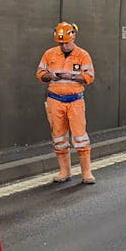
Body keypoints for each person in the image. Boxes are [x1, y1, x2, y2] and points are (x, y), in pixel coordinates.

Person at [36, 22, 96, 184]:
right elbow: (40, 74)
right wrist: (51, 75)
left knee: (80, 137)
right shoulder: (49, 54)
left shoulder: (83, 55)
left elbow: (89, 76)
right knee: (59, 137)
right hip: (55, 100)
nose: (64, 46)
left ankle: (86, 173)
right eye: (61, 43)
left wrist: (72, 77)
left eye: (67, 42)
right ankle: (65, 171)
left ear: (74, 36)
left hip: (75, 101)